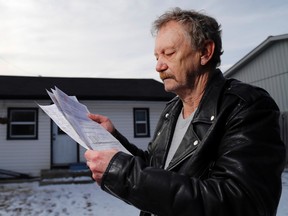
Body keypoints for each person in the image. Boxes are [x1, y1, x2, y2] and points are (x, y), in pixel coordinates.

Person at [85, 7, 286, 216]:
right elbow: (158, 169)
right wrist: (113, 140)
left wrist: (125, 174)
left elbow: (240, 203)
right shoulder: (172, 109)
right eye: (156, 57)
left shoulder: (247, 106)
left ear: (205, 52)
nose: (159, 66)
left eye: (169, 53)